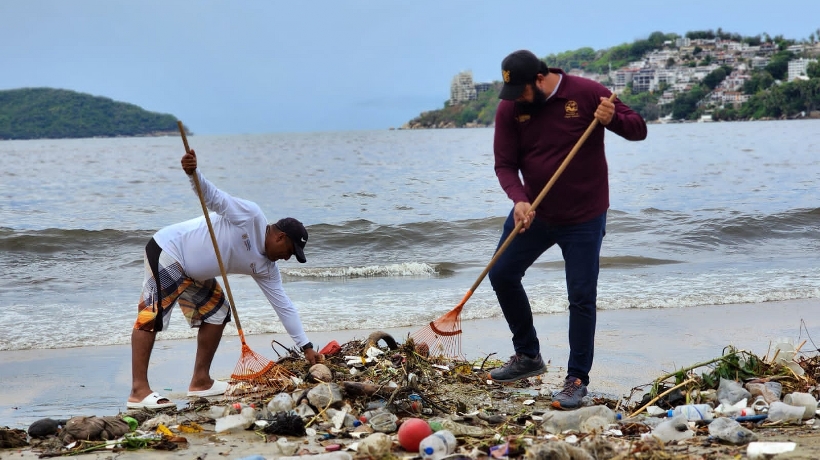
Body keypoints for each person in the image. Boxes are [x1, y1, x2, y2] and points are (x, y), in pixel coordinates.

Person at [488, 50, 647, 409]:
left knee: (580, 296)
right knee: (502, 273)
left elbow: (638, 129)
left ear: (541, 79)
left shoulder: (587, 93)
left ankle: (576, 379)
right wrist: (518, 199)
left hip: (585, 217)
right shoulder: (510, 107)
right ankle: (528, 355)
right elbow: (505, 164)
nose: (517, 101)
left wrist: (614, 121)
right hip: (536, 213)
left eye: (523, 92)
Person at [127, 149, 320, 410]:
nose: (287, 258)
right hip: (169, 252)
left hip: (194, 274)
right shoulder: (250, 216)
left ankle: (201, 381)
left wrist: (306, 346)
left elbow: (283, 305)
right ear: (280, 237)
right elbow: (214, 198)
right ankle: (139, 391)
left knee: (217, 311)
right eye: (290, 252)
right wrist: (193, 174)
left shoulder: (267, 267)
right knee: (152, 316)